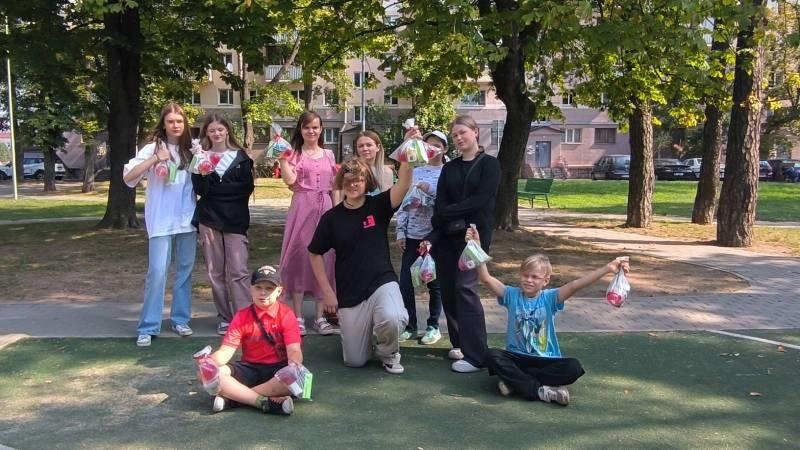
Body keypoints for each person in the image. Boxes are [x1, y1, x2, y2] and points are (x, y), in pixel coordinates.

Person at [468, 227, 631, 406]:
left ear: (545, 281)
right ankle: (541, 390)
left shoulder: (550, 298)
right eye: (525, 275)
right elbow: (486, 278)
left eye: (535, 277)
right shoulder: (511, 295)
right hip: (517, 358)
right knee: (491, 355)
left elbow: (576, 285)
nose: (529, 280)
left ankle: (515, 382)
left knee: (573, 367)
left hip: (546, 360)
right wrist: (477, 246)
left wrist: (608, 268)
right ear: (520, 275)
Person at [308, 157, 412, 374]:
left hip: (381, 282)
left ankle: (388, 353)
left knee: (394, 317)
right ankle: (366, 336)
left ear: (367, 182)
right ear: (341, 182)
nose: (353, 184)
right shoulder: (331, 218)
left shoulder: (378, 205)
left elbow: (403, 184)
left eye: (359, 180)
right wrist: (328, 292)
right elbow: (314, 253)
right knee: (355, 361)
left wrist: (408, 155)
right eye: (348, 180)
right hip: (350, 292)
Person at [423, 115, 501, 372]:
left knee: (465, 290)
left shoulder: (490, 165)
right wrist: (444, 216)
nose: (458, 138)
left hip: (473, 238)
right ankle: (460, 344)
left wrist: (448, 211)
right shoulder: (450, 168)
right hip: (447, 237)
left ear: (475, 132)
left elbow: (481, 200)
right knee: (449, 291)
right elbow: (440, 202)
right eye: (455, 135)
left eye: (462, 133)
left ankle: (477, 355)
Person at [123, 102, 197, 347]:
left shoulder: (192, 150)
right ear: (163, 124)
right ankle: (148, 326)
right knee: (157, 272)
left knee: (185, 271)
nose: (176, 125)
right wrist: (156, 159)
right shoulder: (152, 148)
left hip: (186, 220)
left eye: (179, 121)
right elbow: (128, 177)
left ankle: (180, 319)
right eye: (171, 121)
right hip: (161, 221)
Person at [206, 265, 302, 416]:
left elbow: (294, 350)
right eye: (258, 287)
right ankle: (263, 401)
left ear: (279, 291)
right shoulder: (241, 316)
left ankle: (234, 399)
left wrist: (294, 364)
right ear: (250, 289)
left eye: (269, 288)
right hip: (249, 368)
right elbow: (225, 352)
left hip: (277, 370)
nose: (263, 293)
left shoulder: (287, 315)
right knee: (211, 373)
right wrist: (208, 363)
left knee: (297, 377)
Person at [192, 113, 255, 336]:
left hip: (236, 221)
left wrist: (216, 190)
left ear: (227, 130)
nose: (216, 133)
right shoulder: (201, 157)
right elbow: (200, 189)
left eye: (220, 129)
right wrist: (214, 184)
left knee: (238, 271)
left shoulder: (241, 157)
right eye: (212, 130)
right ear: (206, 133)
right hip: (209, 220)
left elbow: (245, 189)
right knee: (215, 273)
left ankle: (244, 317)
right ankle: (225, 318)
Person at [278, 111, 339, 336]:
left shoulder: (329, 154)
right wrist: (282, 160)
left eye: (315, 127)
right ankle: (298, 316)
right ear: (300, 130)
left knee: (326, 257)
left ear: (321, 129)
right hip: (302, 207)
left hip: (325, 208)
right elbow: (290, 181)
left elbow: (335, 185)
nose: (311, 131)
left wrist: (337, 211)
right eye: (306, 127)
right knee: (300, 257)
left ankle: (320, 316)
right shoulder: (294, 153)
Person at [395, 130, 447, 345]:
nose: (432, 149)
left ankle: (433, 326)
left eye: (437, 145)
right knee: (406, 283)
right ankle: (410, 325)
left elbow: (448, 203)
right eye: (428, 145)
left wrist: (430, 190)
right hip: (413, 236)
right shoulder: (415, 172)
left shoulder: (447, 172)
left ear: (445, 149)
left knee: (434, 283)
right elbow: (404, 203)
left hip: (435, 237)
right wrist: (401, 231)